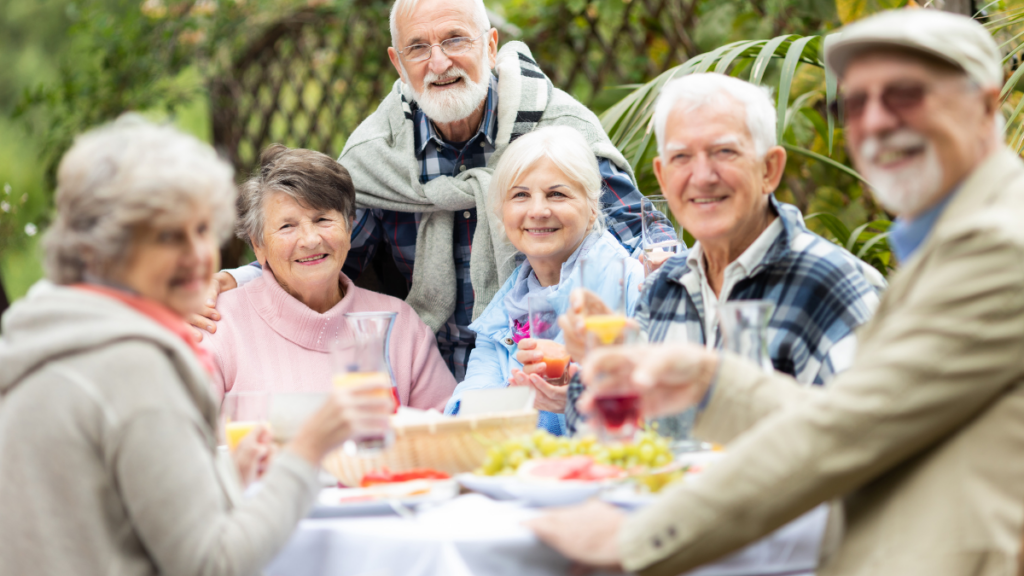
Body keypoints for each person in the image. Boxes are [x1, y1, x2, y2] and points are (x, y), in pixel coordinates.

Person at [529, 9, 1024, 576]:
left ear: (987, 105)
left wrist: (637, 540)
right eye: (855, 103)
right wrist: (706, 383)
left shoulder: (995, 243)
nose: (877, 121)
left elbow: (847, 432)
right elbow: (859, 414)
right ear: (661, 178)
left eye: (906, 94)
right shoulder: (945, 239)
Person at [0, 118, 393, 575]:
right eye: (168, 236)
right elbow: (213, 565)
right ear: (106, 248)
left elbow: (119, 520)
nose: (199, 255)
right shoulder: (133, 368)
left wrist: (225, 478)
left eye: (202, 230)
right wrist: (308, 449)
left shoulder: (52, 334)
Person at [199, 0, 662, 383]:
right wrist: (237, 280)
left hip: (547, 373)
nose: (439, 63)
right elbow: (323, 255)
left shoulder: (557, 131)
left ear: (491, 45)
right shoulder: (377, 154)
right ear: (397, 64)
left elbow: (640, 239)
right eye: (418, 48)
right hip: (421, 377)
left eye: (455, 40)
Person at [558, 73, 886, 432]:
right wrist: (604, 359)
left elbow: (867, 439)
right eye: (681, 157)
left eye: (724, 152)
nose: (702, 176)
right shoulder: (664, 287)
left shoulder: (829, 283)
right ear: (663, 179)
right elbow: (601, 434)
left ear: (769, 169)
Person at [201, 144, 456, 409]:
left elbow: (449, 432)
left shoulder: (399, 325)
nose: (311, 240)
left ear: (349, 228)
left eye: (323, 219)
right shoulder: (217, 325)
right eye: (287, 226)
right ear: (258, 246)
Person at [442, 126, 645, 435]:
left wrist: (570, 399)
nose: (538, 211)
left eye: (557, 194)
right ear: (502, 213)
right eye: (521, 195)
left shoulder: (636, 286)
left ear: (592, 209)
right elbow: (464, 417)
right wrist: (525, 396)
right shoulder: (501, 316)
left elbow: (663, 412)